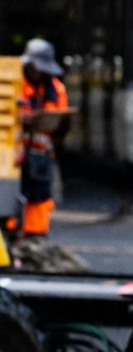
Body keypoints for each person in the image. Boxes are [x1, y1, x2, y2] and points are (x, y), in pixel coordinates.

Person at [16, 39, 68, 237]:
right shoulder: (14, 84)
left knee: (39, 196)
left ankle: (35, 235)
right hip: (14, 154)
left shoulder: (57, 89)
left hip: (41, 154)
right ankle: (10, 235)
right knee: (13, 194)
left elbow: (62, 124)